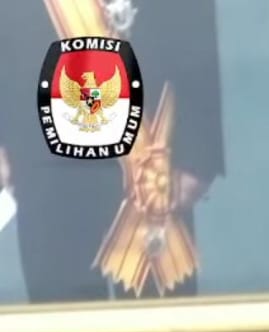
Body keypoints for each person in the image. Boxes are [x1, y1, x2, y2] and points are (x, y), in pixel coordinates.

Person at [0, 0, 224, 304]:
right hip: (36, 132)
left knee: (160, 322)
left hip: (154, 141)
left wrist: (199, 147)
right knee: (62, 317)